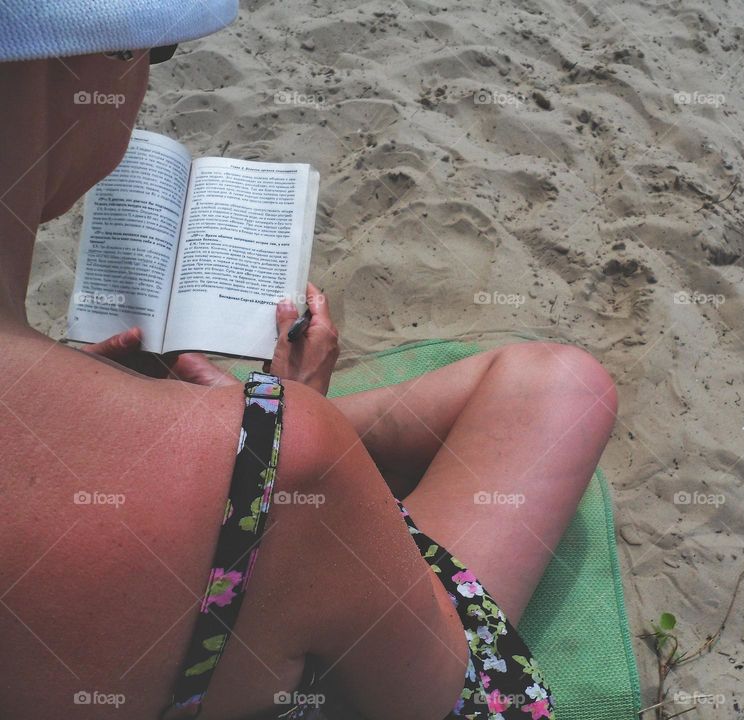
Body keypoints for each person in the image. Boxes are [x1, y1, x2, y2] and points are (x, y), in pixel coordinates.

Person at [0, 2, 618, 718]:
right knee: (563, 387)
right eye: (153, 49)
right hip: (270, 506)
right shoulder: (276, 467)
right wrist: (286, 427)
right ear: (74, 67)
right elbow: (481, 699)